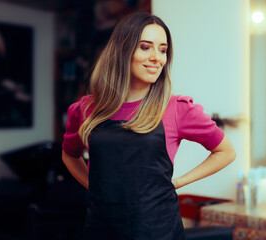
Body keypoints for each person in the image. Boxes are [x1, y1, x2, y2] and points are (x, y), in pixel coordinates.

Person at [61, 12, 236, 240]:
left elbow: (226, 152)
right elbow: (69, 155)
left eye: (163, 50)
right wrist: (93, 186)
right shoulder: (85, 110)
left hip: (158, 230)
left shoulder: (177, 109)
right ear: (123, 51)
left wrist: (178, 182)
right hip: (101, 229)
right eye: (146, 47)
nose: (157, 57)